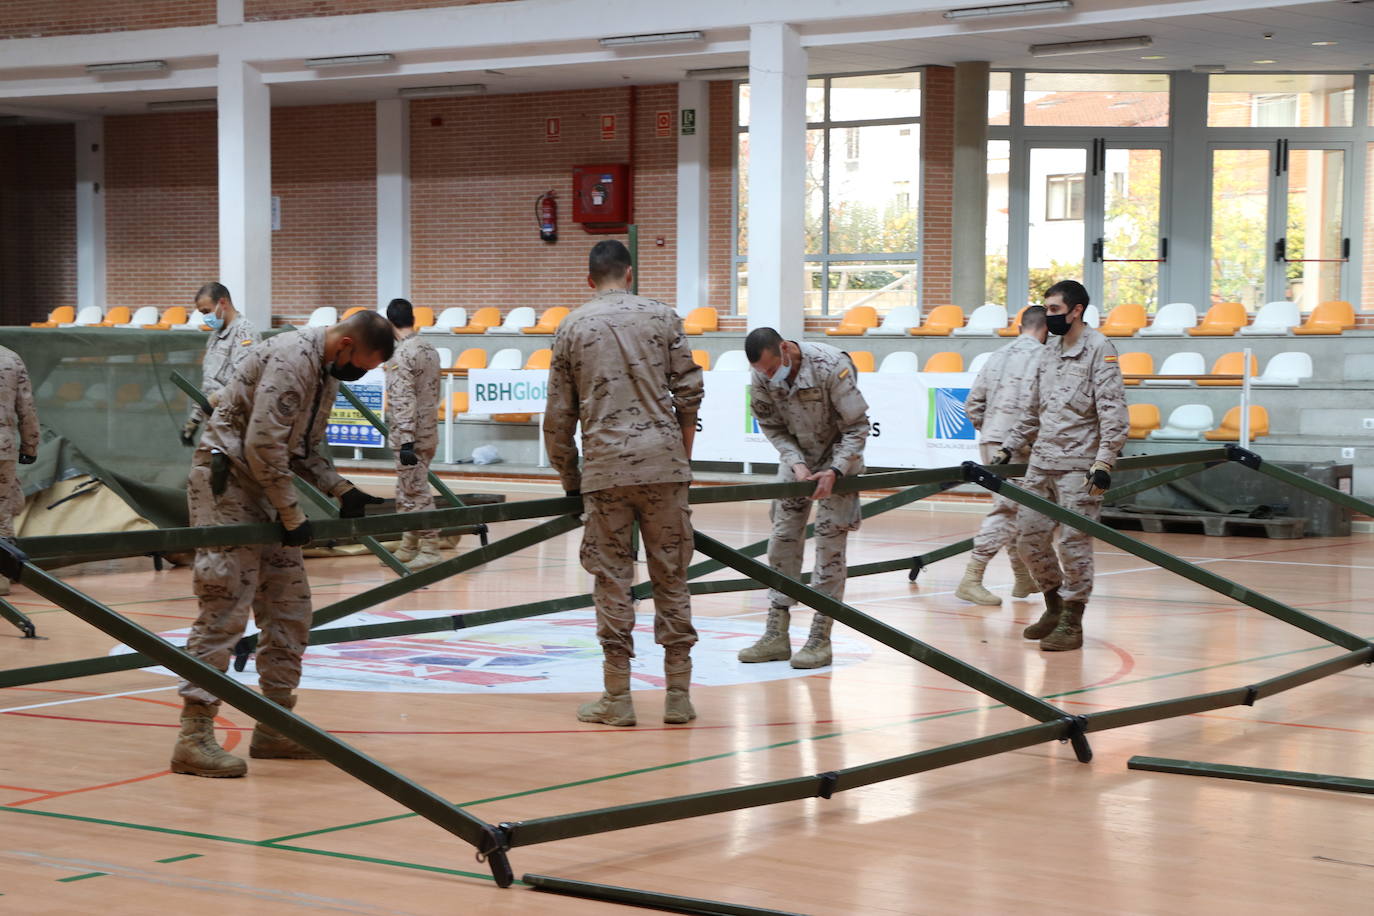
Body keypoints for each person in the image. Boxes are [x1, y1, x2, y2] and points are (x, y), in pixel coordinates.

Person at [171, 310, 394, 777]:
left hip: (269, 487)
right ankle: (193, 736)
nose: (359, 374)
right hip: (228, 482)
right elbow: (261, 446)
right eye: (363, 365)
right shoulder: (291, 358)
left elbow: (303, 448)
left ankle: (275, 724)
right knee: (224, 605)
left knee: (291, 608)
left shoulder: (326, 370)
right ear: (346, 344)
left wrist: (340, 488)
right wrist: (293, 513)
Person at [544, 240, 704, 727]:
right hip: (664, 468)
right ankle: (678, 695)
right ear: (629, 274)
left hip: (605, 471)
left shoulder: (571, 326)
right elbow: (690, 393)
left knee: (612, 580)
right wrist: (679, 456)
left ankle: (618, 697)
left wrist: (572, 481)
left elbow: (557, 419)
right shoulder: (663, 317)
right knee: (672, 576)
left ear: (590, 280)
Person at [994, 281, 1129, 652]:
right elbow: (1033, 408)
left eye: (1055, 309)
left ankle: (1073, 619)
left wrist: (1104, 462)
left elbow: (1114, 414)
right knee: (1028, 538)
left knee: (1074, 543)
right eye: (1047, 309)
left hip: (1079, 467)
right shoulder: (1049, 350)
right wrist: (1008, 448)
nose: (1049, 316)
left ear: (1076, 311)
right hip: (1041, 462)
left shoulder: (1100, 350)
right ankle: (1053, 604)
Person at [737, 329, 869, 670]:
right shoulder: (762, 374)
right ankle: (776, 634)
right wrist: (794, 462)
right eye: (761, 372)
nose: (767, 376)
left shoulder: (831, 365)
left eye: (770, 368)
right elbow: (770, 425)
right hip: (798, 462)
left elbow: (857, 428)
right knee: (782, 539)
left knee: (829, 544)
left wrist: (836, 471)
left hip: (840, 462)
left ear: (784, 349)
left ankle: (819, 638)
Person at [955, 305, 1048, 606]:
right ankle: (972, 577)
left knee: (1012, 508)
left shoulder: (996, 355)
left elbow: (972, 404)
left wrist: (991, 431)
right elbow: (1042, 409)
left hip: (992, 440)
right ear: (1046, 329)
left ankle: (1022, 579)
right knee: (1009, 511)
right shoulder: (1044, 358)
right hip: (1019, 446)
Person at [384, 298, 443, 571]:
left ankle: (430, 546)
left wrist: (406, 438)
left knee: (416, 491)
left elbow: (403, 399)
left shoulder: (402, 354)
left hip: (410, 436)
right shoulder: (430, 348)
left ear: (389, 322)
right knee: (406, 489)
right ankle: (409, 542)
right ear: (413, 319)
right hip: (429, 430)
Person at [180, 283, 259, 447]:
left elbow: (247, 382)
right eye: (202, 313)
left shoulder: (244, 333)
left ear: (222, 303)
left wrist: (215, 398)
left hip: (236, 425)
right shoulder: (215, 337)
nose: (205, 317)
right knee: (204, 470)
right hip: (216, 423)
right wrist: (194, 420)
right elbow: (209, 384)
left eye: (207, 311)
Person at [0, 344, 39, 596]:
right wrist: (30, 445)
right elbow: (26, 407)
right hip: (3, 448)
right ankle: (2, 578)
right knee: (1, 514)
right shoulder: (10, 358)